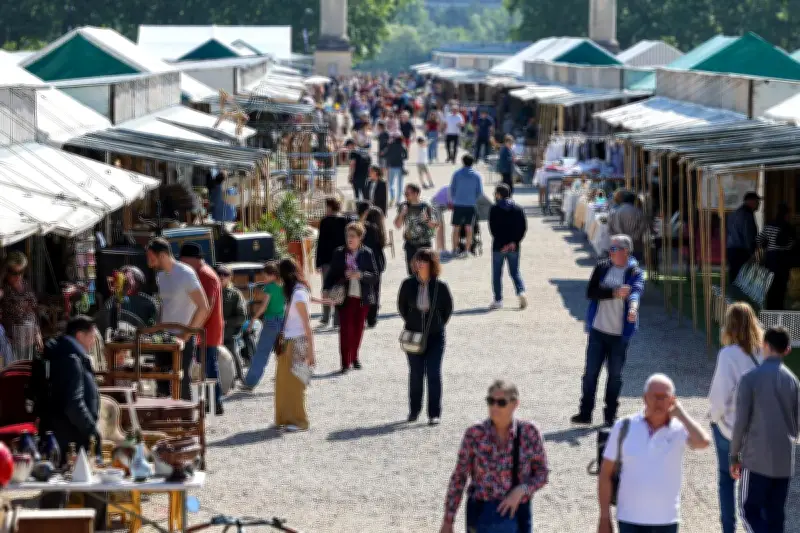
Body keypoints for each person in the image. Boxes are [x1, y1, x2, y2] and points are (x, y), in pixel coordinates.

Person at [598, 374, 711, 533]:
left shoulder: (679, 429)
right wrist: (604, 517)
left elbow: (703, 442)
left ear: (673, 400)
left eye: (663, 397)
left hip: (666, 520)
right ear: (645, 398)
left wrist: (682, 414)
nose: (659, 402)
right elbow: (605, 473)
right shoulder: (624, 426)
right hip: (629, 519)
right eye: (654, 397)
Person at [441, 380, 548, 533]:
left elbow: (542, 473)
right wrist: (448, 521)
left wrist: (521, 490)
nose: (494, 407)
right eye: (490, 401)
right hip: (482, 510)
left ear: (515, 404)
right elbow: (459, 477)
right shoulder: (474, 434)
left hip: (518, 511)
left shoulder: (529, 432)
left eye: (501, 403)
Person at [730, 326, 799, 533]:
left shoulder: (750, 378)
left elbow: (741, 421)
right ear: (787, 349)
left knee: (748, 511)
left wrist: (734, 455)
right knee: (775, 515)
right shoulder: (793, 381)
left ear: (765, 345)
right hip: (785, 459)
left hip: (756, 457)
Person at [572, 235, 644, 426]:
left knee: (615, 377)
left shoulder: (634, 271)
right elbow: (590, 292)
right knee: (590, 374)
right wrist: (613, 293)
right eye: (610, 249)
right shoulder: (602, 267)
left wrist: (633, 309)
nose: (609, 252)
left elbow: (636, 291)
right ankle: (585, 413)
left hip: (619, 336)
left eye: (613, 249)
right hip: (598, 330)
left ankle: (610, 415)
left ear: (625, 251)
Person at [707, 302, 763, 533]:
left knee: (726, 480)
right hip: (759, 431)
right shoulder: (763, 352)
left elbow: (720, 394)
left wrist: (713, 417)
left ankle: (728, 529)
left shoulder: (728, 355)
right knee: (755, 485)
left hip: (730, 427)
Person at [146, 238, 210, 401]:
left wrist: (185, 336)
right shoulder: (161, 276)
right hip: (164, 337)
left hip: (182, 337)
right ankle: (164, 422)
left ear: (162, 255)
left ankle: (187, 422)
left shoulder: (185, 274)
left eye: (151, 258)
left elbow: (203, 307)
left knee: (180, 382)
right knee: (161, 381)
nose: (149, 263)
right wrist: (157, 328)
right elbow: (164, 305)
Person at [397, 249, 453, 425]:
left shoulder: (440, 286)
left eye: (423, 261)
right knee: (415, 374)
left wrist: (435, 323)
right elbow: (402, 307)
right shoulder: (407, 284)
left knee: (434, 373)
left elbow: (447, 310)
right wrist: (414, 321)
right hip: (414, 336)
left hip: (436, 336)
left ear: (431, 264)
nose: (419, 264)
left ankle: (434, 413)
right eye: (417, 261)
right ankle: (414, 410)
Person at [37, 315, 102, 459]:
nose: (93, 342)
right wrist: (92, 431)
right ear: (80, 335)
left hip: (64, 435)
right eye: (92, 337)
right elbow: (74, 404)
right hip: (70, 440)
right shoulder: (70, 358)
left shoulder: (65, 353)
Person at [324, 222, 379, 373]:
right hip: (345, 297)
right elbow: (332, 274)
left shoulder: (367, 253)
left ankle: (355, 357)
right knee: (345, 330)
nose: (350, 239)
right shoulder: (339, 253)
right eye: (348, 236)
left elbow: (375, 276)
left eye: (353, 236)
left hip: (362, 298)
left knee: (358, 329)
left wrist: (360, 274)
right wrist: (326, 288)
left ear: (360, 238)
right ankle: (345, 363)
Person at [179, 244, 225, 415]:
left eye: (183, 260)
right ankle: (212, 401)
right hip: (204, 328)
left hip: (207, 329)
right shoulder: (202, 273)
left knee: (209, 366)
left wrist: (194, 329)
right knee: (206, 365)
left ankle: (216, 401)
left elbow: (207, 306)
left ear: (191, 259)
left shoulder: (206, 275)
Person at [275, 258, 315, 431]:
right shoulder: (295, 292)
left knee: (297, 384)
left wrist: (311, 352)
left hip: (298, 341)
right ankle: (284, 418)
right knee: (283, 382)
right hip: (290, 341)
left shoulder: (298, 294)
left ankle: (300, 421)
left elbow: (307, 325)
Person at [242, 262, 285, 390]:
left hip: (271, 322)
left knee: (262, 353)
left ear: (272, 275)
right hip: (282, 321)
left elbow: (264, 306)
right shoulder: (284, 285)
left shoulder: (269, 287)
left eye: (265, 276)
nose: (263, 279)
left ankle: (250, 382)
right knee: (282, 352)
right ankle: (284, 379)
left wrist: (253, 319)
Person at [488, 183, 528, 310]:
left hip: (498, 247)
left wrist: (503, 243)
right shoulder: (518, 209)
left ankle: (498, 300)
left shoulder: (494, 209)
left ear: (499, 195)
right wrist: (514, 242)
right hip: (514, 247)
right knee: (515, 272)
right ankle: (521, 291)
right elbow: (523, 228)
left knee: (497, 274)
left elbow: (492, 229)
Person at [315, 197, 349, 329]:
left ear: (329, 207)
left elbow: (321, 243)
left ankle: (325, 317)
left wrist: (317, 262)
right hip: (341, 260)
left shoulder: (324, 222)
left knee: (326, 288)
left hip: (326, 260)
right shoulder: (344, 221)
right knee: (340, 288)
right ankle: (337, 319)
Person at [0, 251, 42, 357]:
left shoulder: (26, 286)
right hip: (10, 343)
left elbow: (33, 311)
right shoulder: (4, 289)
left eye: (21, 272)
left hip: (29, 340)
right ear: (7, 272)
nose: (18, 276)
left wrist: (37, 332)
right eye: (14, 273)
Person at [757, 203, 795, 310]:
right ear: (786, 214)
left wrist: (767, 244)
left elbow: (758, 240)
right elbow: (791, 245)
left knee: (771, 285)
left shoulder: (769, 226)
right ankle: (779, 309)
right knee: (781, 287)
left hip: (771, 258)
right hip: (784, 259)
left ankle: (770, 308)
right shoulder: (789, 228)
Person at [394, 183, 439, 275]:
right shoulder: (404, 206)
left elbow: (434, 225)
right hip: (410, 244)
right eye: (405, 194)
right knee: (412, 273)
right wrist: (402, 214)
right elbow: (397, 225)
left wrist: (427, 220)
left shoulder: (426, 206)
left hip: (425, 244)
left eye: (408, 194)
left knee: (426, 272)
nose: (406, 196)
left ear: (416, 193)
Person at [449, 154, 484, 258]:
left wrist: (456, 198)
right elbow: (480, 192)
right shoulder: (477, 175)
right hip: (471, 205)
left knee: (456, 228)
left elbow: (452, 189)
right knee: (469, 228)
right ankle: (467, 251)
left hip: (458, 204)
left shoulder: (456, 174)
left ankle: (455, 249)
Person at [218, 265, 247, 382]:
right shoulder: (211, 292)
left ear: (230, 277)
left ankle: (240, 377)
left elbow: (242, 316)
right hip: (213, 331)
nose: (221, 277)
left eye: (225, 274)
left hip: (228, 332)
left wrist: (226, 322)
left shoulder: (235, 294)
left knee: (233, 355)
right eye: (219, 274)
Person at [726, 192, 760, 282]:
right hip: (741, 250)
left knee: (733, 276)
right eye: (757, 202)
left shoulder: (733, 214)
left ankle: (733, 294)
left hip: (731, 248)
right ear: (751, 202)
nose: (759, 205)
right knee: (742, 278)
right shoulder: (747, 215)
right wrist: (751, 251)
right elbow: (747, 234)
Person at [608, 190, 648, 263]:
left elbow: (616, 226)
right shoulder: (638, 211)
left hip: (622, 243)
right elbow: (643, 225)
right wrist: (635, 235)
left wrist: (623, 236)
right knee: (635, 261)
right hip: (636, 242)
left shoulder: (617, 211)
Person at [364, 207, 387, 328]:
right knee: (376, 291)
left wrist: (364, 214)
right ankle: (372, 317)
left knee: (366, 290)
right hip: (378, 262)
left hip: (368, 262)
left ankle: (367, 315)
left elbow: (357, 226)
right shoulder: (380, 230)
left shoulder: (368, 228)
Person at [382, 132, 407, 207]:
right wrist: (401, 158)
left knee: (391, 184)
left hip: (391, 166)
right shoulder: (402, 146)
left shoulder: (390, 146)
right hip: (400, 167)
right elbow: (406, 156)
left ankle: (392, 196)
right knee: (400, 184)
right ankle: (398, 201)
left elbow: (385, 155)